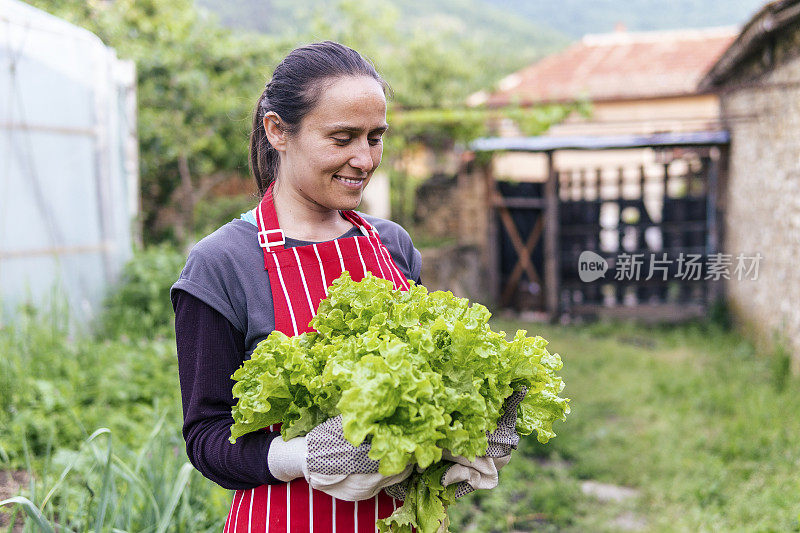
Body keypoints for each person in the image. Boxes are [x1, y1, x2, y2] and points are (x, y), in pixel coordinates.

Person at [171, 41, 519, 532]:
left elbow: (426, 384)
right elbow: (207, 439)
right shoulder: (222, 263)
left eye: (375, 138)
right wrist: (299, 456)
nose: (363, 158)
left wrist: (468, 434)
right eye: (342, 138)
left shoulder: (392, 245)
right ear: (278, 131)